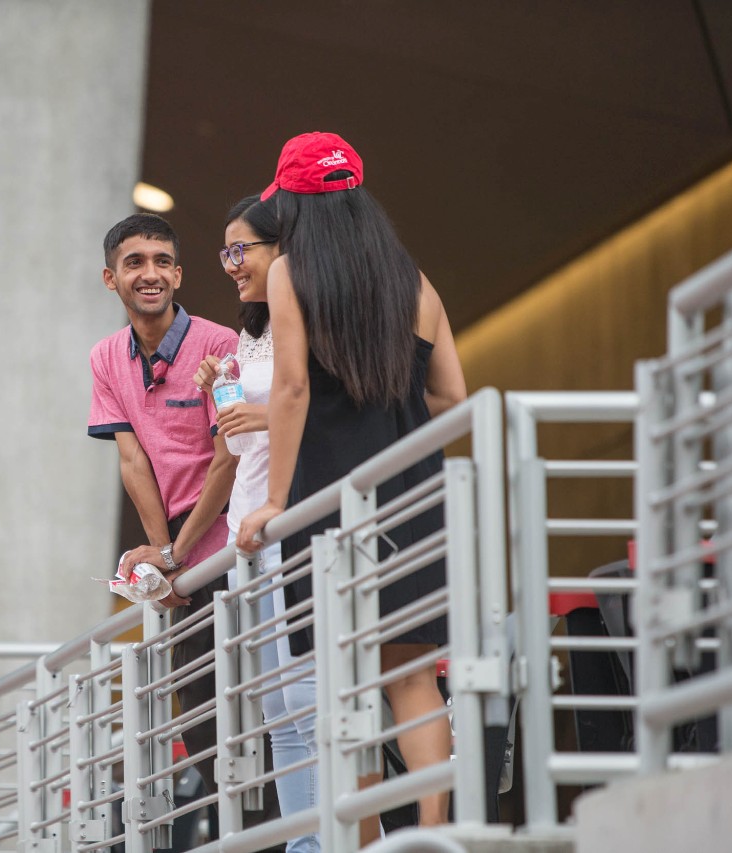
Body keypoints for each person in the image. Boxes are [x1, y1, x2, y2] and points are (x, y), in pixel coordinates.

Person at [236, 132, 468, 840]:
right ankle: (433, 830)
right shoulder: (412, 278)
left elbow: (293, 386)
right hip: (415, 498)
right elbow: (454, 395)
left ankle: (363, 839)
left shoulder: (292, 273)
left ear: (294, 201)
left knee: (350, 684)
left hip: (331, 504)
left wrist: (276, 500)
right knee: (413, 676)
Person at [88, 212, 280, 838]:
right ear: (110, 278)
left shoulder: (221, 343)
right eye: (135, 263)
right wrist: (162, 552)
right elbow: (132, 458)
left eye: (162, 261)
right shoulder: (105, 358)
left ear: (178, 273)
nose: (151, 274)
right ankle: (242, 838)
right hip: (183, 552)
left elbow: (228, 457)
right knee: (202, 719)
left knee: (259, 708)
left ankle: (280, 834)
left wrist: (176, 552)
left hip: (234, 540)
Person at [194, 195, 320, 853]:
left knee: (304, 696)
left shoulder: (310, 318)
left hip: (289, 521)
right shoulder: (250, 332)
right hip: (247, 527)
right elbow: (238, 445)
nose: (231, 264)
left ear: (281, 251)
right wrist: (223, 389)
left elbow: (324, 415)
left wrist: (265, 413)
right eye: (226, 252)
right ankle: (306, 842)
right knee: (275, 705)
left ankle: (327, 840)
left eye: (241, 249)